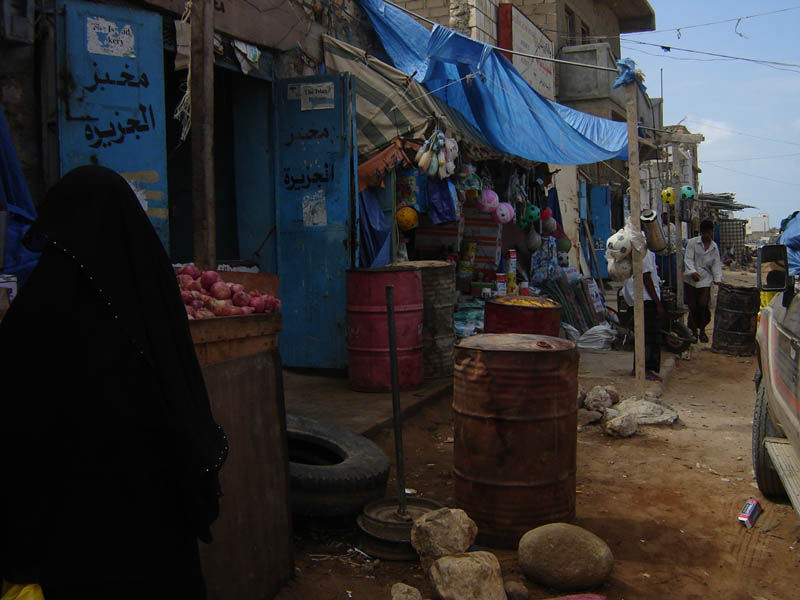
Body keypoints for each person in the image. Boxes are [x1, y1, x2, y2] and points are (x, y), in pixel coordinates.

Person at [0, 166, 227, 599]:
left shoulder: (35, 313)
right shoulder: (149, 307)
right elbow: (185, 407)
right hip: (154, 540)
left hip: (66, 545)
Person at [624, 247, 666, 381]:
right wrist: (658, 303)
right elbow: (646, 276)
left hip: (634, 297)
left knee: (641, 334)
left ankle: (639, 367)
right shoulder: (643, 248)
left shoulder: (632, 245)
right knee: (649, 336)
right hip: (645, 298)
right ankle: (646, 369)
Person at [683, 219, 723, 343]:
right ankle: (693, 331)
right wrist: (692, 272)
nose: (707, 235)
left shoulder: (714, 247)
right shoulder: (692, 243)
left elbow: (716, 264)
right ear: (701, 232)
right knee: (693, 306)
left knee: (703, 305)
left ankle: (702, 331)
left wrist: (718, 279)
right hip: (690, 279)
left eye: (709, 233)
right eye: (704, 233)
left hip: (705, 279)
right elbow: (688, 259)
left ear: (711, 232)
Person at [655, 210, 678, 291]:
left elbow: (674, 238)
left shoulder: (672, 227)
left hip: (672, 251)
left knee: (674, 270)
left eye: (667, 217)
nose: (666, 219)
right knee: (663, 270)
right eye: (664, 218)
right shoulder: (660, 227)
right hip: (663, 253)